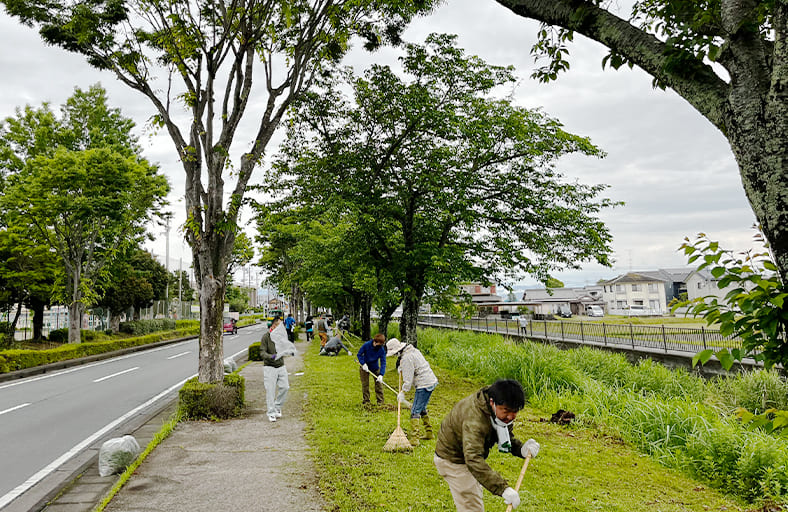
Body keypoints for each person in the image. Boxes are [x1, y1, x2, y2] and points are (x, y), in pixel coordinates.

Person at [434, 379, 540, 511]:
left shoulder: (497, 401)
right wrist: (503, 488)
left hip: (466, 455)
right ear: (492, 403)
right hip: (453, 460)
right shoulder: (475, 420)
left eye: (515, 412)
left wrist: (521, 449)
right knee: (472, 507)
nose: (510, 416)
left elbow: (503, 434)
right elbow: (473, 458)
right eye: (506, 411)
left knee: (474, 496)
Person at [387, 338, 438, 446]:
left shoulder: (407, 358)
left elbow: (408, 380)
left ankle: (415, 438)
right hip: (431, 380)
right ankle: (429, 433)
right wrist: (401, 368)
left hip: (424, 384)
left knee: (415, 410)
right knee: (421, 407)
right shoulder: (412, 350)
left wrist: (403, 392)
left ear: (398, 351)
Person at [259, 317, 290, 422]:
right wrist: (270, 356)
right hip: (269, 367)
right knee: (270, 391)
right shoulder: (266, 337)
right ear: (273, 326)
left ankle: (277, 406)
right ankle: (271, 413)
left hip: (281, 366)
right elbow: (262, 352)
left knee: (285, 387)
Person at [356, 333, 387, 407]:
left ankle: (380, 402)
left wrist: (381, 374)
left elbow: (383, 362)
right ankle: (366, 401)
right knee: (365, 385)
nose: (380, 346)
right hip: (364, 367)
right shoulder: (366, 345)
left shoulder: (381, 350)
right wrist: (363, 364)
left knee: (379, 385)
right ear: (375, 342)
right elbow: (359, 354)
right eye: (379, 344)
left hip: (375, 367)